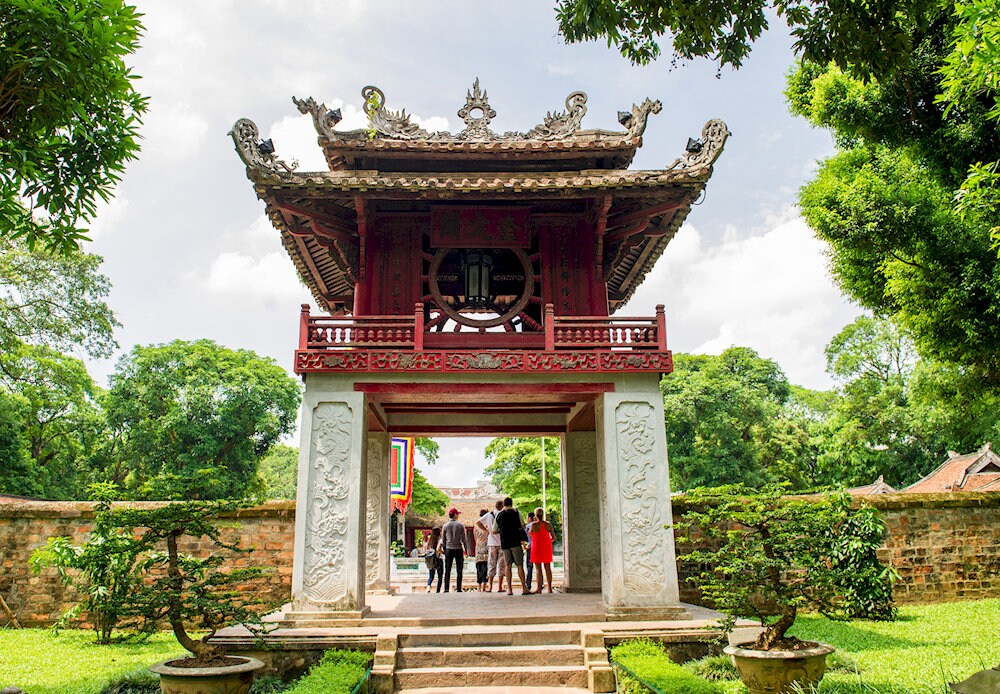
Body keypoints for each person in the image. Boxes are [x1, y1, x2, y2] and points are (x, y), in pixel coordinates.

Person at [494, 497, 530, 595]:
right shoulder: (517, 512)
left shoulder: (499, 515)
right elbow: (522, 525)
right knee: (519, 566)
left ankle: (509, 589)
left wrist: (502, 530)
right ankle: (524, 588)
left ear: (504, 505)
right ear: (512, 504)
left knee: (507, 565)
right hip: (515, 542)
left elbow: (494, 530)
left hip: (505, 543)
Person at [477, 499, 506, 592]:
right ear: (502, 506)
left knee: (491, 564)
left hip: (491, 543)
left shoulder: (489, 514)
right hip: (502, 542)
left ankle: (490, 586)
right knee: (501, 565)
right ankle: (500, 586)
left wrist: (487, 530)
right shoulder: (504, 514)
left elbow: (478, 522)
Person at [440, 507, 469, 593]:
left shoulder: (445, 526)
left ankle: (446, 588)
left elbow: (443, 539)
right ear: (455, 515)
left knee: (447, 570)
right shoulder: (460, 525)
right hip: (458, 548)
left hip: (449, 548)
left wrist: (445, 549)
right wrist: (466, 550)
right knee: (459, 569)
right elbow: (464, 539)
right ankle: (459, 588)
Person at [530, 507, 555, 593]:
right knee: (547, 568)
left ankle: (539, 588)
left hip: (537, 547)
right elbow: (553, 537)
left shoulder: (533, 525)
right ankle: (550, 588)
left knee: (538, 569)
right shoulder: (548, 525)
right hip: (546, 547)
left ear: (535, 515)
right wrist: (547, 541)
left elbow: (530, 534)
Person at [423, 527, 443, 593]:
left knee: (431, 575)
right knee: (440, 576)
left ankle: (428, 586)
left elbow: (425, 551)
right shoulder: (440, 540)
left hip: (431, 559)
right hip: (439, 559)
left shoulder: (429, 541)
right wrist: (443, 552)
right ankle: (438, 590)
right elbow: (438, 549)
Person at [474, 508, 490, 591]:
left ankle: (479, 586)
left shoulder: (476, 526)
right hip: (486, 547)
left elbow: (475, 537)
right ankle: (484, 585)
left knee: (479, 567)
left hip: (478, 547)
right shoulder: (487, 526)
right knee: (485, 567)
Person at [524, 511, 536, 592]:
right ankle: (541, 583)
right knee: (539, 567)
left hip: (530, 547)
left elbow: (525, 537)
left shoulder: (528, 526)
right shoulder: (538, 525)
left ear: (529, 518)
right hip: (537, 547)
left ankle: (528, 584)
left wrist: (524, 545)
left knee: (529, 566)